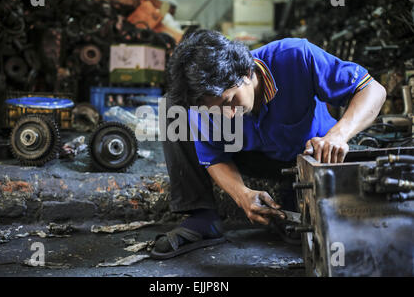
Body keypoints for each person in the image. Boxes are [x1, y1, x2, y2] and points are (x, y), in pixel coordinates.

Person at [150, 30, 386, 259]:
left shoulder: (295, 56)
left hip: (310, 157)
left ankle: (292, 196)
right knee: (171, 108)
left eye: (230, 101)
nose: (230, 115)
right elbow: (213, 157)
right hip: (252, 157)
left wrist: (338, 135)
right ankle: (203, 218)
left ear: (245, 72)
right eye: (218, 110)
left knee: (309, 235)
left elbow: (372, 89)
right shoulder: (206, 103)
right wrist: (242, 194)